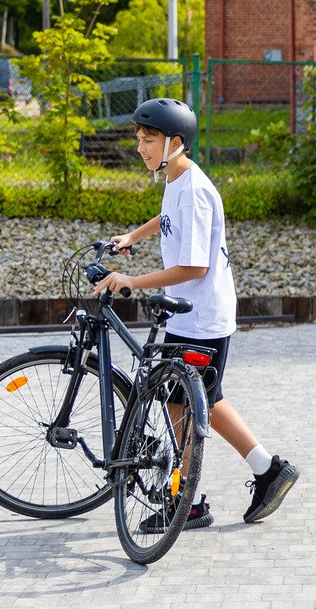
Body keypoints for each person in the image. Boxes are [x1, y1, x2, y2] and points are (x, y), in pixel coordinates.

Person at [95, 99, 298, 529]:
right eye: (138, 139)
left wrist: (132, 280)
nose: (140, 148)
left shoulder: (196, 192)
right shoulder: (176, 177)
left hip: (201, 317)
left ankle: (189, 501)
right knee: (197, 400)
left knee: (184, 405)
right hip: (188, 314)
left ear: (175, 142)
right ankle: (266, 470)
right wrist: (133, 235)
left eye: (148, 140)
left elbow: (194, 267)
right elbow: (168, 217)